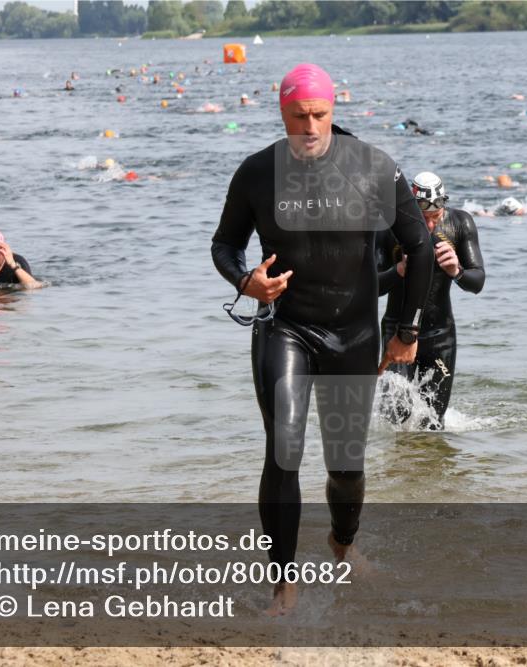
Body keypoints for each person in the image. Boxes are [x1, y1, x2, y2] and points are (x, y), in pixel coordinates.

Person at [211, 63, 432, 616]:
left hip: (353, 332)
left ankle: (342, 544)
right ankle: (283, 585)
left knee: (345, 465)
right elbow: (224, 244)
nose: (309, 127)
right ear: (281, 113)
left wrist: (406, 331)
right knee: (284, 450)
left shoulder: (373, 167)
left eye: (319, 115)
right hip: (283, 324)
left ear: (334, 111)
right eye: (297, 116)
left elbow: (419, 247)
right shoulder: (258, 172)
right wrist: (246, 281)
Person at [377, 172, 485, 430]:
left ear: (443, 208)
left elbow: (478, 281)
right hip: (397, 331)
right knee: (396, 413)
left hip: (440, 336)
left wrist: (456, 271)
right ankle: (394, 468)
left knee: (432, 423)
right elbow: (371, 286)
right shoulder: (388, 228)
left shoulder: (460, 223)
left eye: (435, 218)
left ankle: (427, 469)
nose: (429, 227)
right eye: (422, 219)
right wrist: (398, 270)